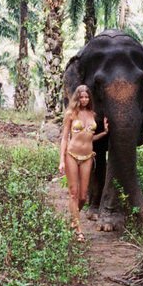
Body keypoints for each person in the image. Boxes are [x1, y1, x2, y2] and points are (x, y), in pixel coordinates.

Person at [59, 84, 109, 242]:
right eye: (81, 97)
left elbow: (89, 137)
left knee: (82, 196)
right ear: (77, 98)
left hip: (87, 156)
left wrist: (104, 132)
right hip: (72, 155)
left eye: (87, 97)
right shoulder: (71, 114)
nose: (84, 99)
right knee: (73, 193)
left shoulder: (92, 114)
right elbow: (65, 138)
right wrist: (61, 160)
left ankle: (73, 220)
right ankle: (78, 229)